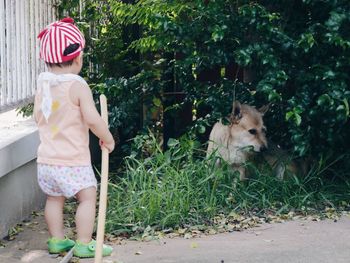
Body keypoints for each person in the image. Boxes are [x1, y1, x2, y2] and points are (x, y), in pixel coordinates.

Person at [34, 17, 115, 258]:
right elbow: (91, 119)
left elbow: (38, 117)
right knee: (87, 196)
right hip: (73, 161)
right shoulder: (77, 85)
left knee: (54, 198)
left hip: (46, 161)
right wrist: (107, 137)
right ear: (78, 57)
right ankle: (83, 242)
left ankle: (57, 240)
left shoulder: (43, 84)